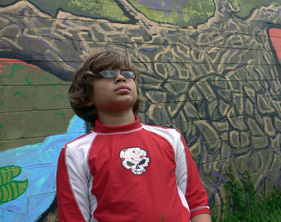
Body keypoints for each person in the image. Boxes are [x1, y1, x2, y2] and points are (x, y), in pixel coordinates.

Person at [56, 50, 211, 221]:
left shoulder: (171, 138)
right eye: (107, 74)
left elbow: (197, 204)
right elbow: (73, 217)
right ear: (87, 98)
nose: (121, 78)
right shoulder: (76, 152)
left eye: (127, 74)